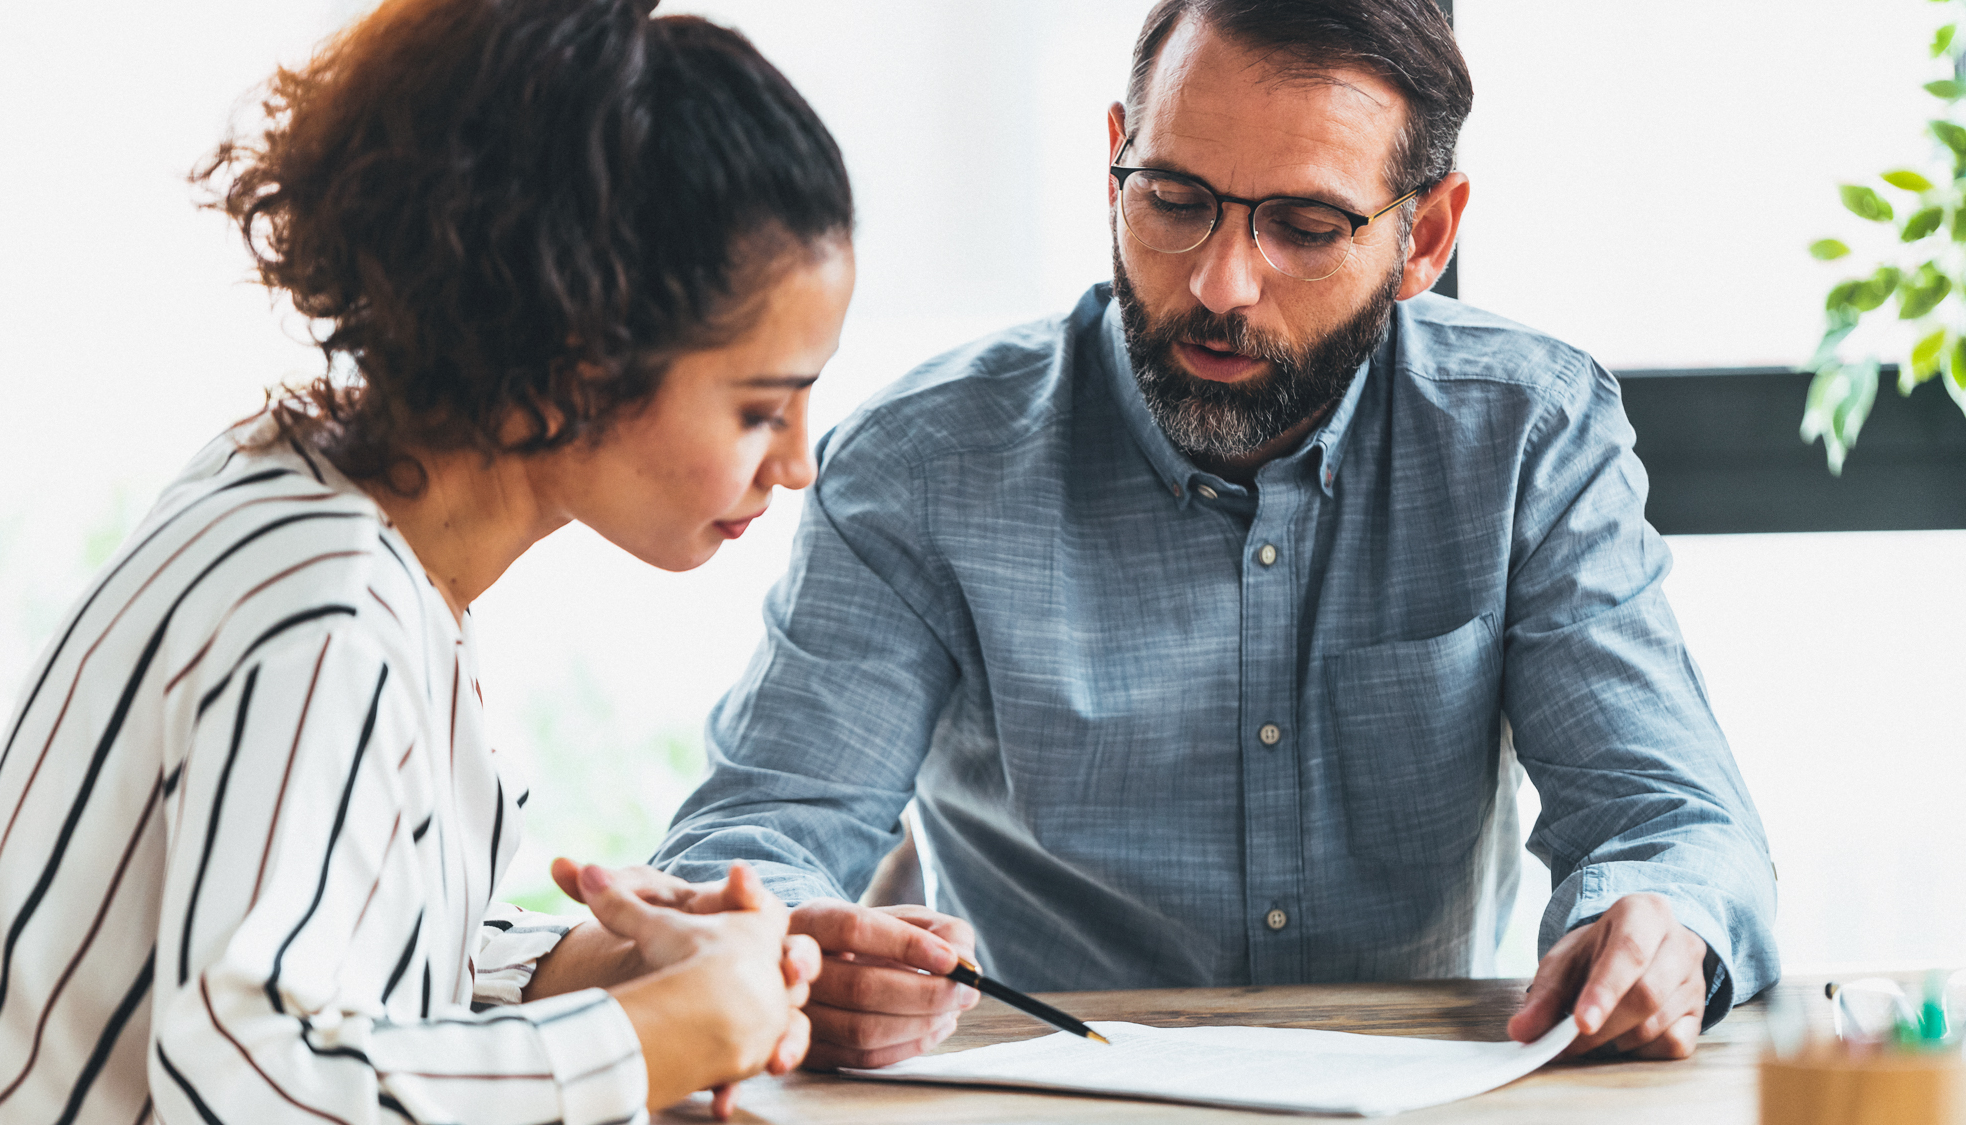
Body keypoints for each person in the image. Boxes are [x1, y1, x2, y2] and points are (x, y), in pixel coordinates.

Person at [655, 0, 1779, 1070]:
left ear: (1424, 236)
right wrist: (797, 949)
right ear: (1113, 162)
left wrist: (1659, 925)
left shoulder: (1525, 434)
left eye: (1304, 225)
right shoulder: (920, 462)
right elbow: (758, 833)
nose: (1220, 282)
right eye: (1174, 198)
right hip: (1032, 1095)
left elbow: (1674, 822)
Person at [0, 2, 861, 1122]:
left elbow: (327, 957)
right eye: (758, 409)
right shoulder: (321, 610)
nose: (796, 465)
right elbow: (259, 1078)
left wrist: (602, 969)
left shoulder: (314, 511)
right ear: (574, 355)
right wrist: (659, 1035)